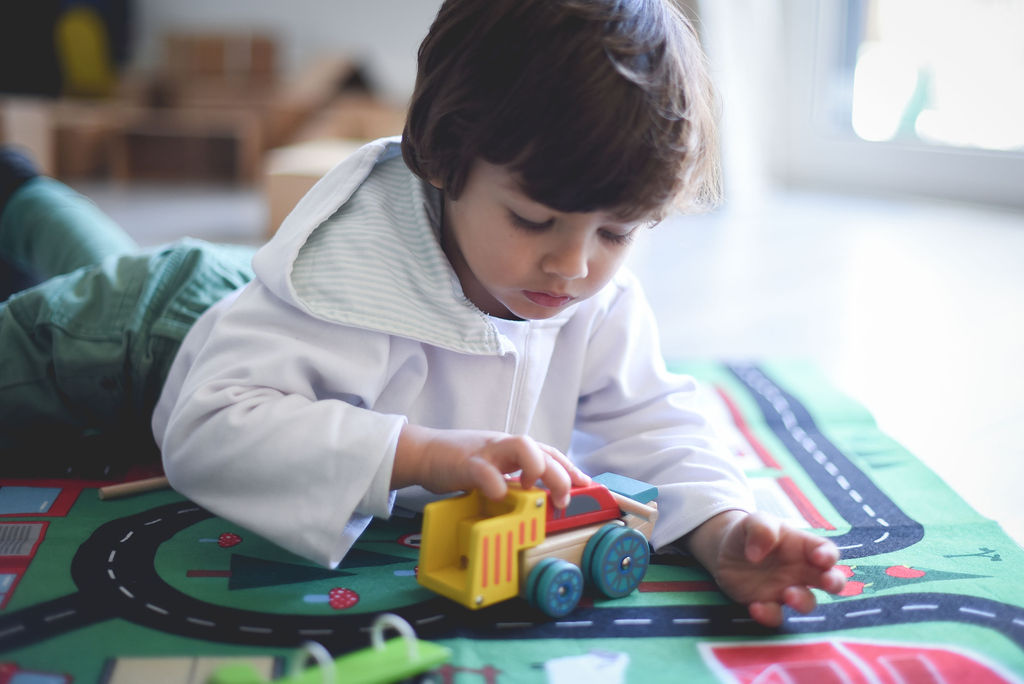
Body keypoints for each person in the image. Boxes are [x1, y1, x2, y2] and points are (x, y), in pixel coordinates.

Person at [0, 0, 846, 627]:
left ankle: (24, 192)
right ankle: (23, 194)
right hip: (141, 334)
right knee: (84, 301)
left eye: (617, 232)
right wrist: (423, 455)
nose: (574, 265)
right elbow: (206, 426)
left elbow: (653, 418)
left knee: (85, 249)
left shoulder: (589, 287)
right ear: (444, 158)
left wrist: (723, 527)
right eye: (533, 220)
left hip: (224, 292)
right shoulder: (355, 275)